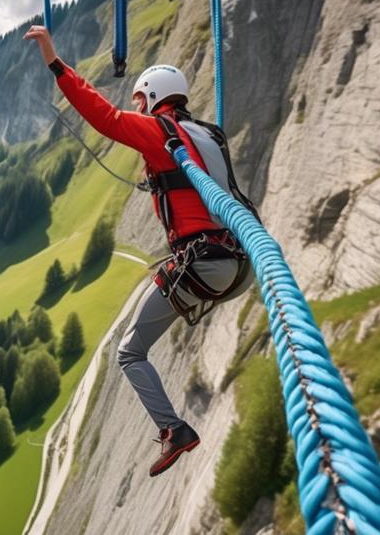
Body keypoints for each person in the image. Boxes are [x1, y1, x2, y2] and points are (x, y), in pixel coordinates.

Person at [25, 25, 255, 476]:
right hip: (237, 260)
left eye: (139, 100)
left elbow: (105, 118)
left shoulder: (160, 131)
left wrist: (56, 63)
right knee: (155, 299)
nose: (137, 108)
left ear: (152, 96)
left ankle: (174, 430)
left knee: (130, 351)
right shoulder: (208, 135)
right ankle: (173, 428)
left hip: (202, 264)